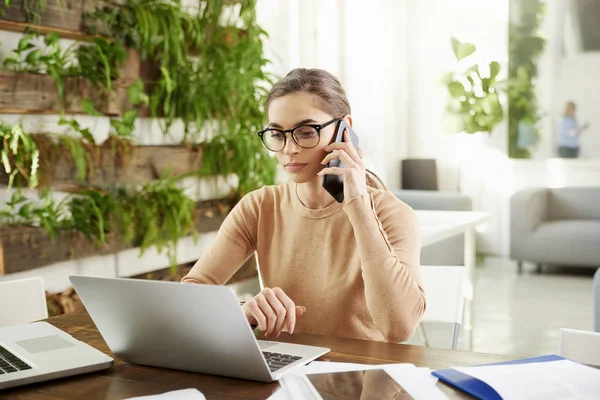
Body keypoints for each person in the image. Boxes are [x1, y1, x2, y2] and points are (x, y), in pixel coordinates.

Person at [182, 68, 425, 343]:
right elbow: (193, 291)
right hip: (282, 376)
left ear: (345, 129)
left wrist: (358, 206)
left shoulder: (392, 213)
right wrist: (241, 312)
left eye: (306, 132)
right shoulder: (260, 206)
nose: (289, 149)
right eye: (277, 134)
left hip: (361, 377)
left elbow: (399, 328)